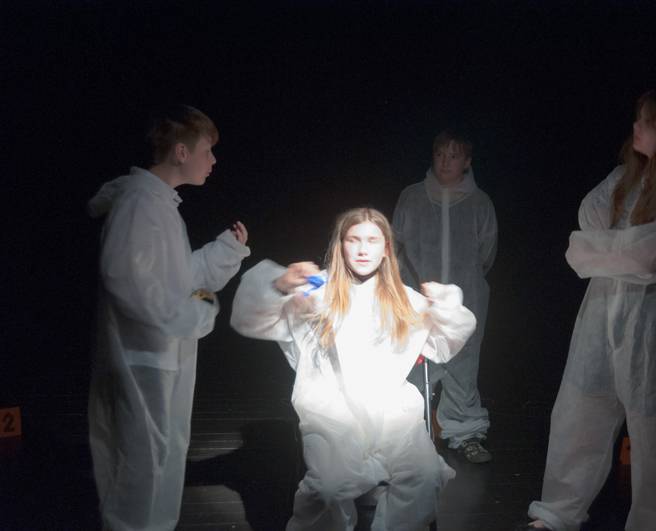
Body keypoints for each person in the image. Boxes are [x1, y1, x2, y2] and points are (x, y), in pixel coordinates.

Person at [521, 92, 656, 531]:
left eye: (649, 122)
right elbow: (585, 231)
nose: (636, 127)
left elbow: (649, 254)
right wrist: (626, 255)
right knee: (580, 412)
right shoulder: (624, 178)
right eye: (638, 118)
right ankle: (557, 512)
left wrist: (612, 253)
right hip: (602, 314)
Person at [230, 207, 476, 531]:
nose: (362, 249)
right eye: (353, 239)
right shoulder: (317, 291)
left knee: (425, 476)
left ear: (386, 248)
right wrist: (279, 285)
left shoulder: (405, 300)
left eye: (372, 241)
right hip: (331, 412)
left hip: (393, 413)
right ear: (341, 245)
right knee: (328, 488)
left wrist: (445, 306)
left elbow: (446, 342)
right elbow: (251, 319)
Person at [87, 104, 251, 531]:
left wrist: (224, 254)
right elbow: (126, 279)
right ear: (181, 151)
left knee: (161, 455)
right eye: (207, 150)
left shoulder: (158, 204)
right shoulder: (139, 202)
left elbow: (171, 278)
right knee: (141, 461)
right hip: (143, 358)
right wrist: (195, 312)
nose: (212, 160)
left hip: (159, 356)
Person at [392, 130, 498, 463]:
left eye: (454, 157)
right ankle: (405, 436)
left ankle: (464, 434)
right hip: (417, 299)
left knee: (462, 367)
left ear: (467, 162)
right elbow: (394, 244)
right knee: (413, 365)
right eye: (440, 155)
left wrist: (464, 284)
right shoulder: (412, 196)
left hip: (466, 299)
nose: (445, 163)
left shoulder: (480, 202)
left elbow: (487, 252)